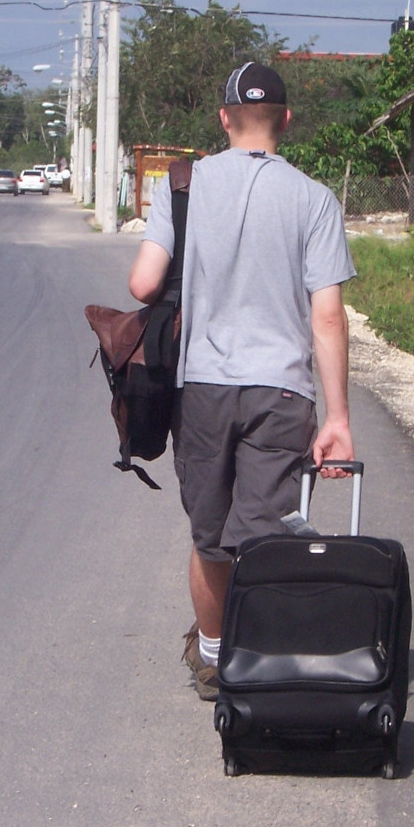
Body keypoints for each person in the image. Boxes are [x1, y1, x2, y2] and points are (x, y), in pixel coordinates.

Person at [128, 62, 356, 700]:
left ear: (224, 118)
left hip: (201, 387)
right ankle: (259, 661)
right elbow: (328, 315)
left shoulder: (184, 185)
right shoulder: (314, 199)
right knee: (261, 535)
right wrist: (336, 420)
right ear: (285, 119)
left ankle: (211, 655)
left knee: (210, 535)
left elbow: (143, 285)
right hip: (283, 393)